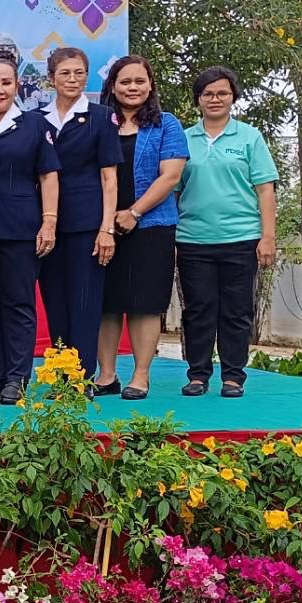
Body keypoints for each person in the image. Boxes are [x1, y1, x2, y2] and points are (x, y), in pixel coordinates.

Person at [176, 66, 277, 399]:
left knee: (237, 311)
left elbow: (265, 190)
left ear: (233, 97)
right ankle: (198, 375)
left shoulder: (249, 137)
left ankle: (233, 376)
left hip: (242, 238)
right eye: (207, 93)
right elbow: (172, 188)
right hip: (193, 239)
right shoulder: (183, 138)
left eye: (222, 93)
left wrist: (268, 236)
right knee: (198, 310)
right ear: (198, 99)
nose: (215, 99)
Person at [93, 56, 188, 400]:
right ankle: (106, 375)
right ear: (112, 86)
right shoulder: (99, 122)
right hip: (103, 226)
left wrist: (134, 212)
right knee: (106, 302)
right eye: (125, 81)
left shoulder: (166, 124)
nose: (132, 88)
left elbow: (171, 176)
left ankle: (140, 375)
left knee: (144, 302)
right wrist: (108, 221)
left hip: (151, 226)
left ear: (150, 85)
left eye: (139, 81)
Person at [0, 53, 59, 405]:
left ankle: (17, 376)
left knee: (18, 302)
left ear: (17, 85)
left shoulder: (34, 125)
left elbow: (48, 175)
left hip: (20, 227)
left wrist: (49, 221)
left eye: (6, 82)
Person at [34, 47, 120, 378]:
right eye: (65, 73)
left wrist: (106, 228)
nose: (73, 79)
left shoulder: (101, 117)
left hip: (87, 223)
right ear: (51, 78)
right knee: (55, 301)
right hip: (45, 225)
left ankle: (80, 378)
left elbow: (109, 178)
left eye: (79, 73)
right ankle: (60, 373)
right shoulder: (36, 119)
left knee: (84, 303)